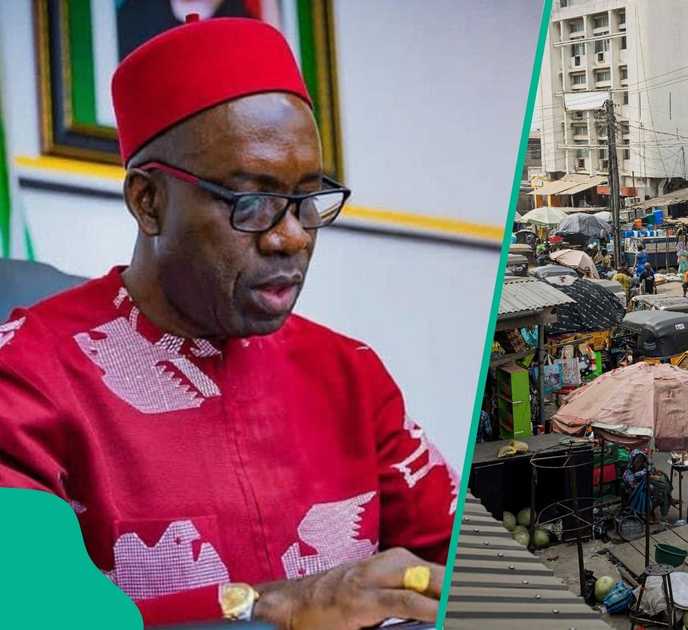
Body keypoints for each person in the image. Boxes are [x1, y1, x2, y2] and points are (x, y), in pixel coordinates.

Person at [0, 18, 455, 628]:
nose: (291, 235)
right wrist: (267, 606)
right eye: (252, 200)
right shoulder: (24, 376)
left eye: (307, 199)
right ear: (148, 201)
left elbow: (452, 555)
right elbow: (38, 609)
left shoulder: (349, 373)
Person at [623, 449, 674, 522]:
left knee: (663, 481)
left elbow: (652, 470)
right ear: (632, 461)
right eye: (637, 461)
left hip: (649, 487)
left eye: (640, 461)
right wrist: (646, 479)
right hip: (637, 493)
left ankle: (667, 500)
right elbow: (634, 485)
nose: (639, 463)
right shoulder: (628, 473)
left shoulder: (644, 467)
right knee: (652, 489)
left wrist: (654, 474)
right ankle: (647, 512)